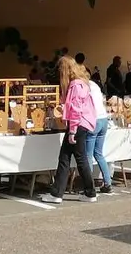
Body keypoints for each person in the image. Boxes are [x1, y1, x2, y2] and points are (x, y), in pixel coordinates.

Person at [39, 58, 98, 204]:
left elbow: (76, 110)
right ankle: (88, 192)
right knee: (75, 158)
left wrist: (72, 131)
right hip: (82, 125)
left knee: (68, 159)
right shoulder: (82, 83)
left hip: (77, 125)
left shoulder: (75, 86)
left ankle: (59, 193)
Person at [85, 76, 113, 193]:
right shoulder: (95, 85)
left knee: (88, 156)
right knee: (99, 154)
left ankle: (89, 186)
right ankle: (108, 182)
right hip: (103, 119)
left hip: (94, 120)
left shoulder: (83, 86)